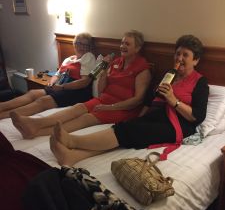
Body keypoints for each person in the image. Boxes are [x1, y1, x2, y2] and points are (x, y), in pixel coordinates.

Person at [48, 34, 209, 166]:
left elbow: (197, 116)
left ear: (195, 60)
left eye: (185, 55)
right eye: (178, 54)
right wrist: (142, 115)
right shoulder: (170, 74)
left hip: (179, 125)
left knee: (131, 132)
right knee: (127, 127)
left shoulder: (200, 82)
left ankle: (73, 141)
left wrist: (174, 101)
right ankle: (73, 157)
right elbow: (149, 99)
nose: (179, 58)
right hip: (158, 116)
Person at [11, 30, 151, 139]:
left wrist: (110, 107)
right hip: (104, 100)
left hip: (124, 108)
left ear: (137, 48)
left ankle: (35, 132)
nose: (122, 46)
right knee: (77, 108)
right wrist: (104, 71)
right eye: (122, 43)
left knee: (85, 119)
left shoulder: (142, 69)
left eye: (127, 44)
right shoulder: (116, 62)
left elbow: (137, 101)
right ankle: (35, 124)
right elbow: (102, 90)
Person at [0, 33, 96, 119]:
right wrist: (51, 83)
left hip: (77, 91)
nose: (81, 47)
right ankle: (2, 106)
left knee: (43, 101)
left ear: (89, 47)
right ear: (74, 44)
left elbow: (85, 82)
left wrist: (62, 87)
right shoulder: (69, 59)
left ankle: (4, 115)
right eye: (78, 43)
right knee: (33, 93)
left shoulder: (88, 57)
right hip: (61, 86)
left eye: (85, 44)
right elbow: (57, 75)